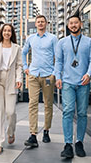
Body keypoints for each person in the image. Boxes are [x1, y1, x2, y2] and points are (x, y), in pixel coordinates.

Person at [55, 15, 91, 158]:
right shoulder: (62, 42)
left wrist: (89, 74)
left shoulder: (89, 42)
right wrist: (58, 77)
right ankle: (68, 144)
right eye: (71, 23)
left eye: (76, 23)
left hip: (83, 83)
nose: (73, 25)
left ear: (80, 24)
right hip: (67, 82)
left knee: (82, 113)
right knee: (67, 112)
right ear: (68, 26)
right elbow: (58, 61)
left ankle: (79, 142)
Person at [22, 15, 58, 147]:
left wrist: (54, 73)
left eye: (43, 21)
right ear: (36, 24)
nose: (40, 23)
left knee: (48, 104)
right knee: (32, 104)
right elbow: (23, 52)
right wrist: (26, 67)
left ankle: (46, 131)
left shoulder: (53, 38)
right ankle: (33, 135)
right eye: (38, 22)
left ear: (46, 24)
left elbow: (58, 56)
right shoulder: (31, 38)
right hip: (33, 75)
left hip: (48, 76)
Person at [0, 24, 23, 155]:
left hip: (11, 80)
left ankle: (11, 132)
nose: (7, 33)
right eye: (5, 30)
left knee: (11, 111)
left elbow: (19, 65)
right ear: (1, 32)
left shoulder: (17, 47)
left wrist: (19, 79)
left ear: (12, 33)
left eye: (9, 31)